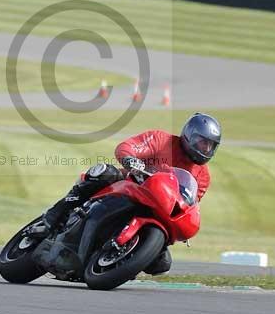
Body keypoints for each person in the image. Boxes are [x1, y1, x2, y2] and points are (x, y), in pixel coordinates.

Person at [30, 113, 222, 275]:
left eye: (210, 146)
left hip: (158, 209)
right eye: (201, 142)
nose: (205, 149)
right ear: (188, 135)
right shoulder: (161, 140)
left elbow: (189, 203)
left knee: (162, 264)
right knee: (103, 173)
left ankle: (122, 261)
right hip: (130, 185)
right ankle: (52, 217)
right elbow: (128, 147)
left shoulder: (203, 177)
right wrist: (130, 159)